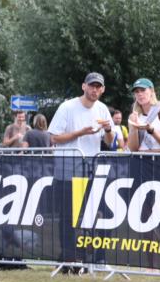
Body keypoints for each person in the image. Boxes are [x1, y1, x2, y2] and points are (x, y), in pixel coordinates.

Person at [48, 73, 114, 271]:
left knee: (101, 213)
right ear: (83, 86)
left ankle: (96, 258)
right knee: (69, 216)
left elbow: (109, 143)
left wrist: (110, 130)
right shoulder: (67, 107)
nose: (95, 90)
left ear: (102, 90)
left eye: (98, 87)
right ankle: (67, 258)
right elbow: (54, 138)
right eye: (92, 86)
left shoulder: (102, 109)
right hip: (69, 167)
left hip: (92, 168)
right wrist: (80, 133)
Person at [126, 78, 160, 153]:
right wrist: (134, 129)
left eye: (143, 90)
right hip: (139, 159)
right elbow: (133, 149)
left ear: (152, 91)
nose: (140, 94)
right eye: (136, 91)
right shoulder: (134, 115)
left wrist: (151, 131)